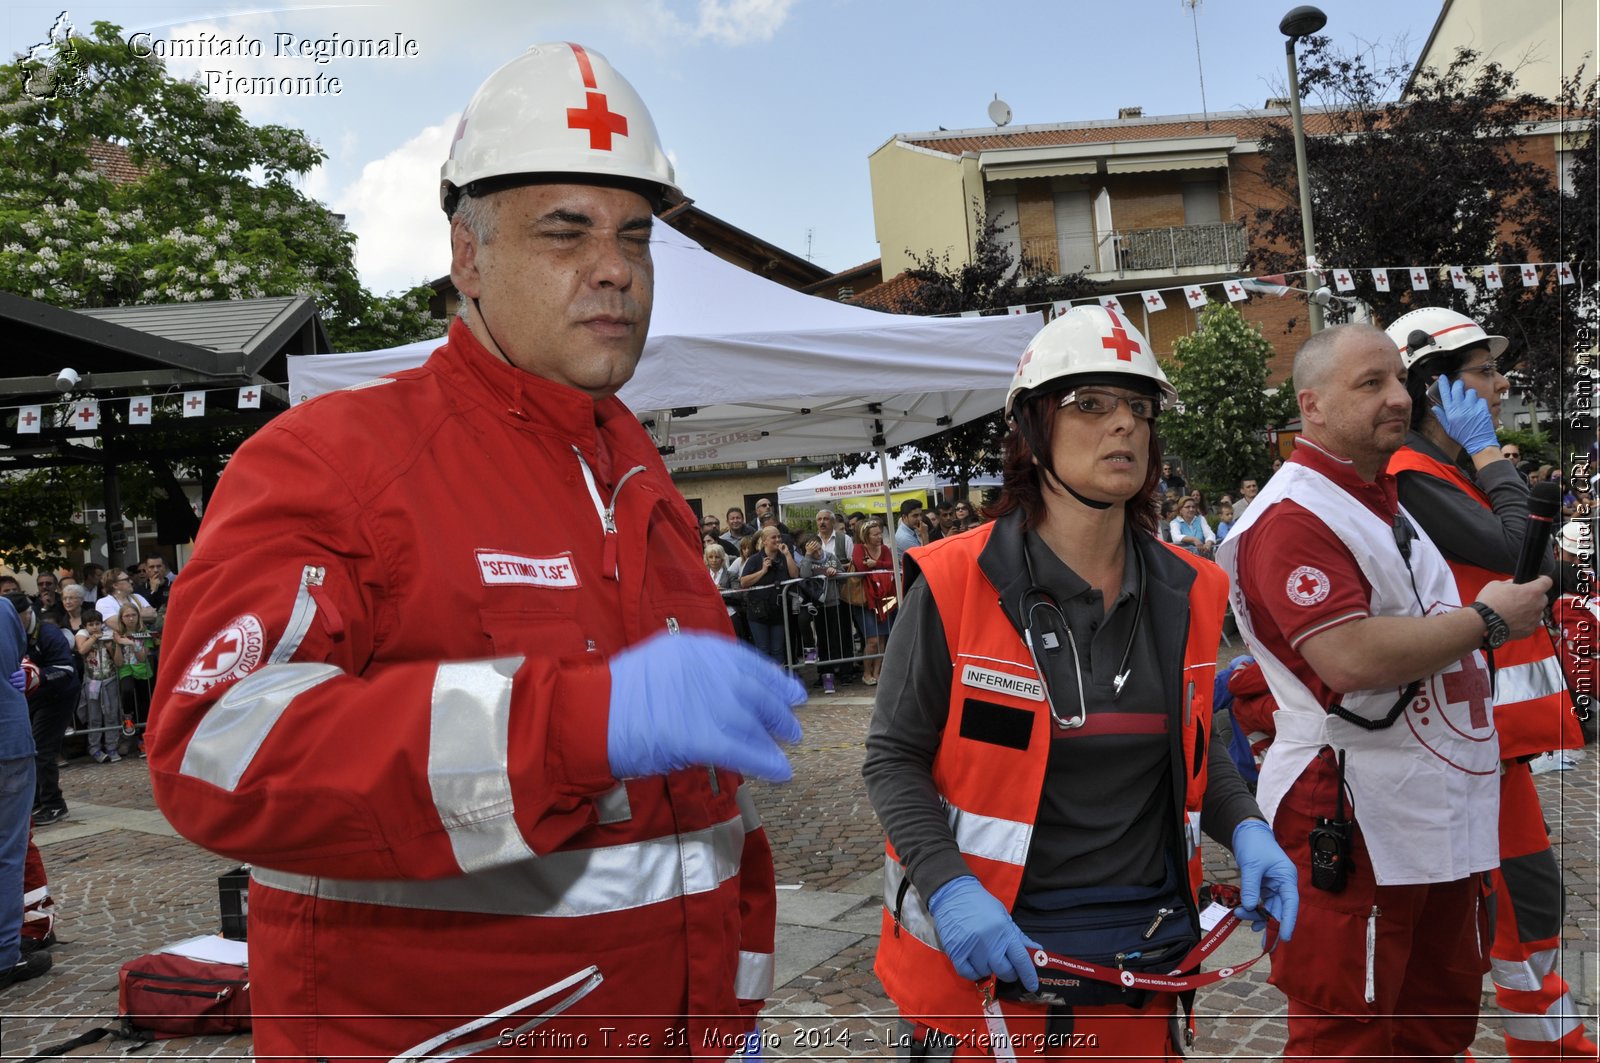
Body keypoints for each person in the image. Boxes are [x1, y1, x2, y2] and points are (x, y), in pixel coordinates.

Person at [146, 43, 803, 1059]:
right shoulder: (334, 460)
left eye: (635, 236)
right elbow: (213, 750)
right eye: (564, 231)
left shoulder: (640, 476)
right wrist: (572, 726)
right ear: (467, 255)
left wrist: (727, 1023)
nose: (615, 269)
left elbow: (693, 844)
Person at [863, 305, 1297, 1056]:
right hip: (990, 981)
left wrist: (1249, 825)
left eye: (1138, 407)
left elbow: (1199, 748)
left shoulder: (1189, 587)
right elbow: (892, 758)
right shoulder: (953, 580)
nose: (1123, 424)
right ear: (1033, 431)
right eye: (1089, 404)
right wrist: (948, 885)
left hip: (1146, 965)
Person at [1217, 323, 1551, 1062]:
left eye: (1399, 380)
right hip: (1354, 813)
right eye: (1371, 384)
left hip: (1427, 807)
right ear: (1313, 405)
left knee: (1434, 1024)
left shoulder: (1378, 498)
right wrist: (1488, 618)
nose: (1398, 396)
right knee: (1351, 1031)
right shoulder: (1292, 515)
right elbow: (1346, 656)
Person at [1383, 308, 1595, 1059]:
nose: (1500, 385)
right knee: (1494, 913)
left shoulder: (1441, 474)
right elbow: (1515, 553)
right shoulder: (1410, 476)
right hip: (1451, 749)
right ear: (1433, 387)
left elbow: (1541, 564)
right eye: (1481, 372)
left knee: (1529, 902)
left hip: (1488, 747)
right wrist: (1489, 457)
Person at [5, 595, 78, 827]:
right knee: (31, 749)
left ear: (28, 613)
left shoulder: (48, 634)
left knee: (43, 749)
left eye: (16, 618)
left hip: (59, 697)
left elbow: (66, 669)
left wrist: (39, 676)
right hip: (32, 698)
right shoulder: (11, 632)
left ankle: (54, 804)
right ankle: (36, 800)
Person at [740, 526, 798, 663]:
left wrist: (788, 554)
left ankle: (777, 682)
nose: (777, 540)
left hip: (778, 610)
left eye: (779, 536)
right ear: (764, 541)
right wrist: (763, 571)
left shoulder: (784, 557)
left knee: (778, 649)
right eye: (773, 537)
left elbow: (795, 574)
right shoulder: (754, 559)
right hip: (758, 612)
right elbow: (743, 582)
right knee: (763, 650)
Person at [851, 519, 896, 686]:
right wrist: (877, 566)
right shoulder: (858, 549)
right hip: (865, 599)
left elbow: (892, 564)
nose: (879, 537)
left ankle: (878, 672)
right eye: (875, 534)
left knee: (883, 637)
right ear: (866, 536)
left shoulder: (884, 549)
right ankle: (866, 672)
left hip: (884, 597)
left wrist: (876, 564)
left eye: (880, 533)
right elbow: (861, 568)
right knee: (872, 640)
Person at [75, 613, 122, 764]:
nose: (95, 627)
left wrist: (111, 647)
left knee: (111, 714)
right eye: (91, 624)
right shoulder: (83, 636)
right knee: (94, 716)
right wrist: (94, 638)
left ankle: (112, 746)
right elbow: (82, 650)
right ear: (85, 626)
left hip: (110, 680)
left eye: (97, 623)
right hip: (93, 681)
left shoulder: (108, 636)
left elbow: (118, 661)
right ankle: (94, 747)